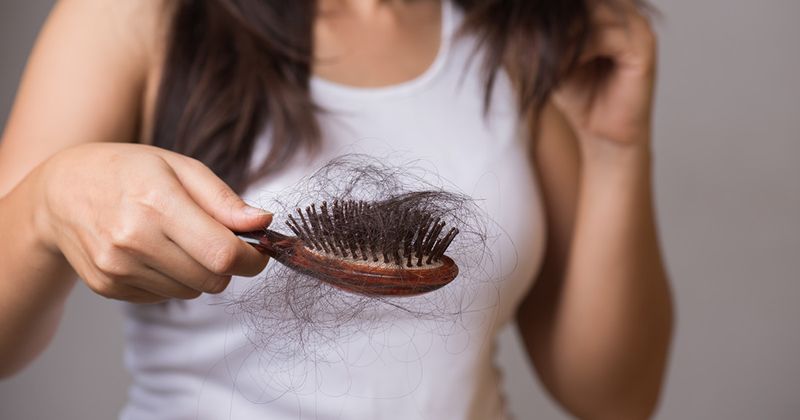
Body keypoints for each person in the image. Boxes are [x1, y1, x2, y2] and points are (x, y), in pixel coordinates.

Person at [0, 0, 673, 418]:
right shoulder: (140, 14)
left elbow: (615, 400)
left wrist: (615, 149)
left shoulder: (523, 35)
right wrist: (43, 210)